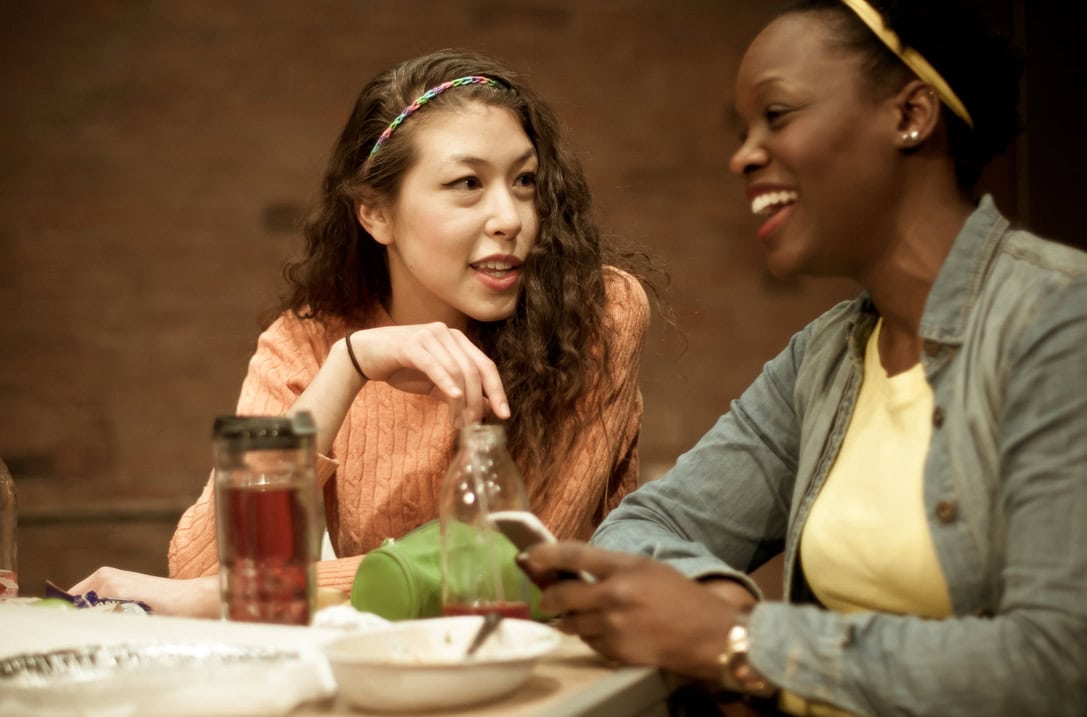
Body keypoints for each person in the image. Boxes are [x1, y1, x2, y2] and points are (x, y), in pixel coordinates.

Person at [519, 1, 1087, 714]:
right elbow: (644, 527)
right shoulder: (822, 358)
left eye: (777, 114)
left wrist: (739, 638)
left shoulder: (1058, 319)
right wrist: (712, 593)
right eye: (743, 129)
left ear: (910, 113)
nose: (742, 154)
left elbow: (1056, 663)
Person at [71, 49, 653, 618]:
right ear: (375, 214)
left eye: (524, 180)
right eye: (467, 184)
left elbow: (521, 559)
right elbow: (200, 567)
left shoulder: (596, 314)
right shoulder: (306, 341)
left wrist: (234, 594)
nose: (511, 217)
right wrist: (347, 368)